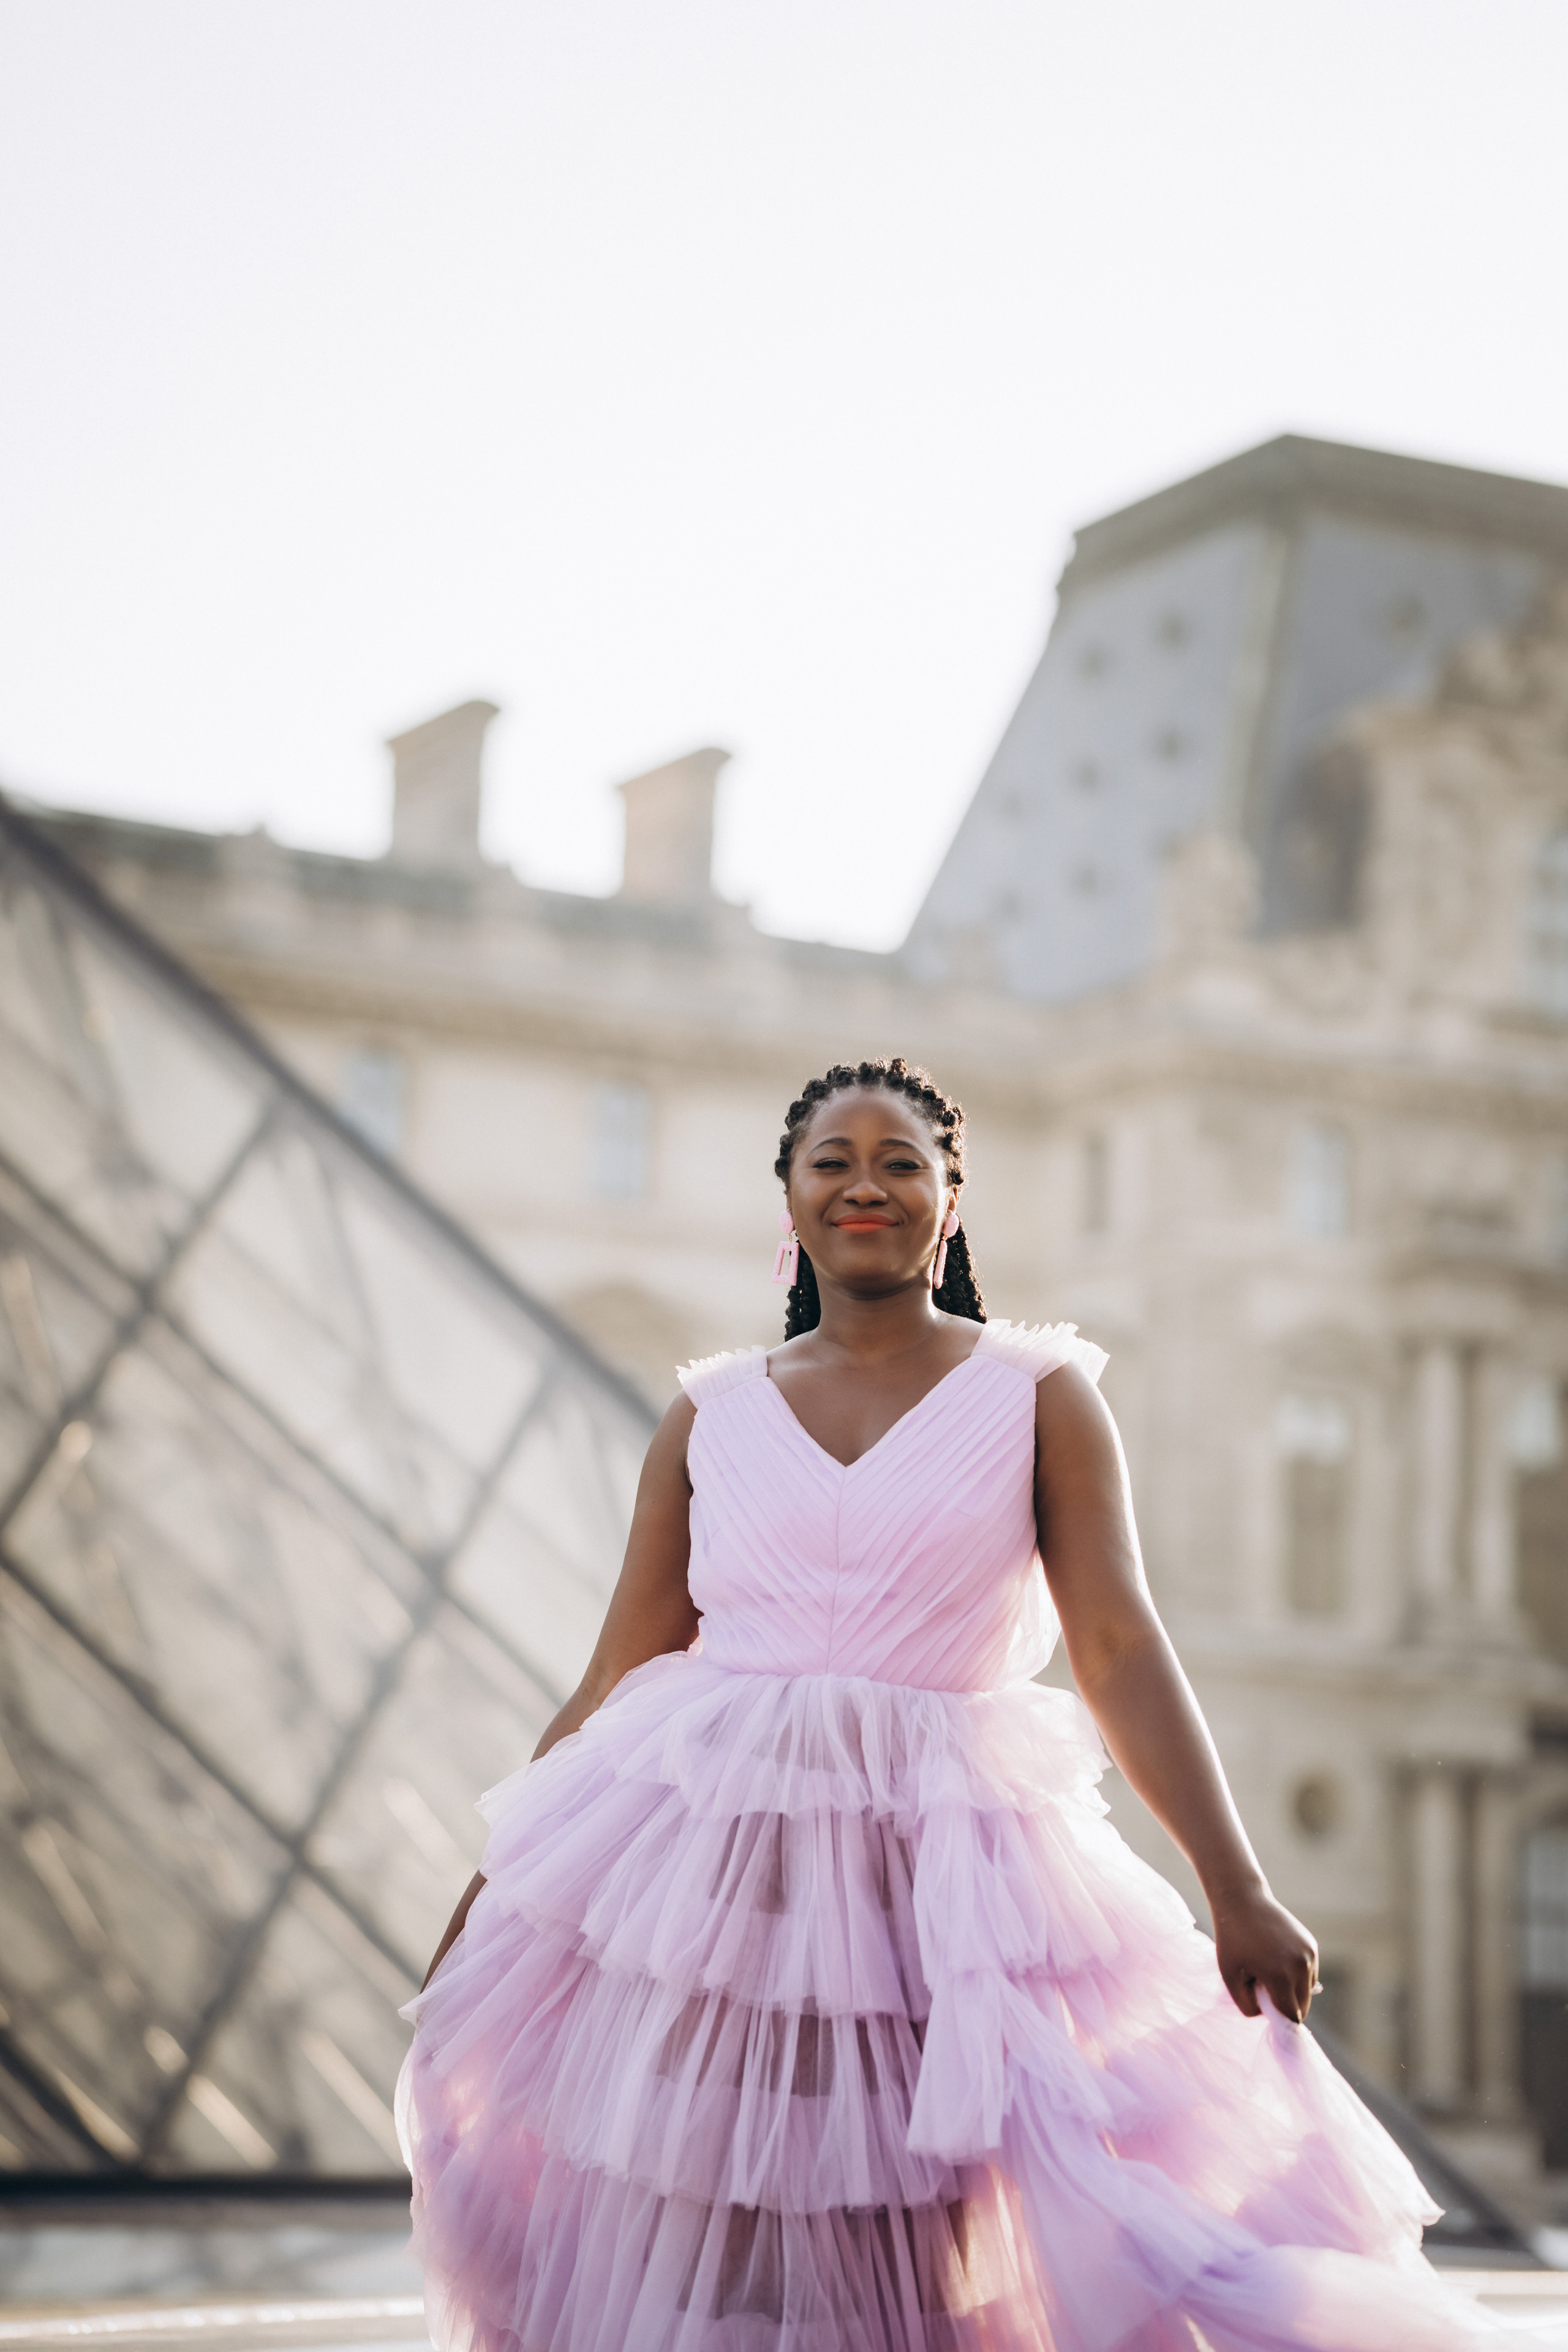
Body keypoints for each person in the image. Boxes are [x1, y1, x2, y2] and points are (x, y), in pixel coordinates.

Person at [397, 1057, 1522, 2349]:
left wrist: (1236, 1882)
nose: (863, 1185)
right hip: (712, 1884)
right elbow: (614, 1680)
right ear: (790, 1197)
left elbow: (1115, 1646)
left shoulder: (1039, 1397)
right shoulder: (705, 1415)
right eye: (832, 1162)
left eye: (899, 1163)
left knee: (926, 2230)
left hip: (945, 1877)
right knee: (711, 2228)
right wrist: (492, 1899)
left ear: (949, 1198)